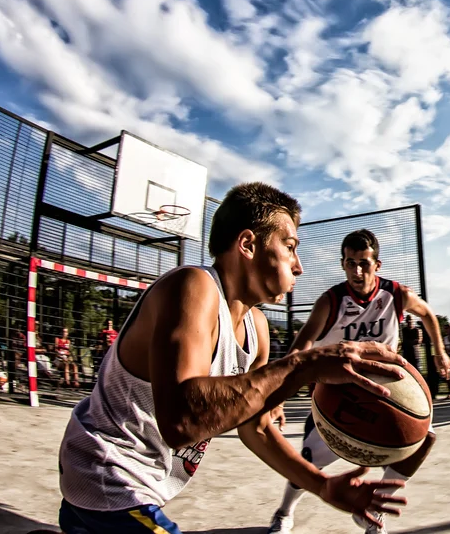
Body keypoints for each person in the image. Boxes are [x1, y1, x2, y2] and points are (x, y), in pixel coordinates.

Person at [56, 183, 408, 534]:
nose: (298, 266)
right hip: (108, 476)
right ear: (248, 245)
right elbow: (181, 422)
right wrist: (306, 365)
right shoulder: (193, 286)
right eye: (289, 247)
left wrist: (322, 485)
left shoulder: (257, 328)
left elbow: (254, 427)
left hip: (138, 488)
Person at [268, 228, 450, 534]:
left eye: (364, 263)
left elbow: (427, 314)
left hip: (387, 392)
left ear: (376, 265)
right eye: (350, 262)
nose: (357, 270)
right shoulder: (331, 301)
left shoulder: (396, 294)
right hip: (338, 394)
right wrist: (279, 396)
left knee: (422, 438)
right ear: (342, 264)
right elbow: (300, 348)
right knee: (310, 462)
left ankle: (371, 511)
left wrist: (440, 352)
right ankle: (284, 512)